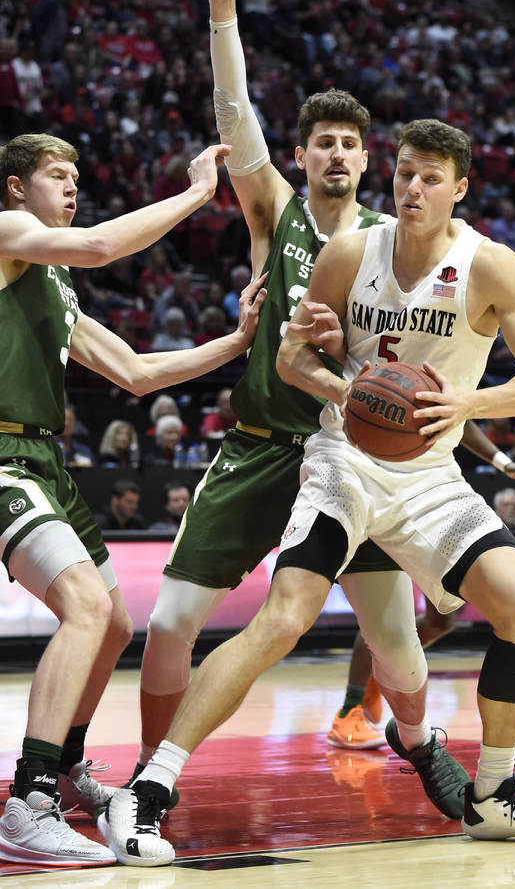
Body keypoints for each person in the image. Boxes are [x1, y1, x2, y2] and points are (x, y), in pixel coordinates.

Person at [101, 116, 515, 865]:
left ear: (459, 188)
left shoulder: (491, 266)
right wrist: (349, 388)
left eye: (430, 176)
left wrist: (470, 405)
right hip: (343, 459)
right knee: (284, 618)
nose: (412, 187)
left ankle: (493, 795)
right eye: (403, 172)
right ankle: (149, 787)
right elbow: (293, 358)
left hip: (430, 473)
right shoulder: (349, 250)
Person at [124, 0, 469, 841]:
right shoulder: (275, 208)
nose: (335, 153)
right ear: (305, 152)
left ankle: (419, 741)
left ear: (369, 160)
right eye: (322, 140)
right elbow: (234, 114)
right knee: (167, 625)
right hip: (260, 443)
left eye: (351, 144)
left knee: (397, 646)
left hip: (350, 449)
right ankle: (148, 788)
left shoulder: (393, 245)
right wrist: (221, 10)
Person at [0, 131, 266, 866]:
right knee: (85, 608)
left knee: (113, 622)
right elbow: (96, 246)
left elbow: (134, 371)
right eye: (58, 175)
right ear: (18, 187)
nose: (73, 185)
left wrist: (235, 341)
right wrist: (192, 195)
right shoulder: (8, 233)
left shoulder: (50, 281)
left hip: (41, 457)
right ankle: (28, 803)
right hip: (0, 454)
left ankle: (62, 766)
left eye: (78, 175)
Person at [330, 425, 515, 748]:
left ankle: (376, 682)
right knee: (385, 612)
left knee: (441, 622)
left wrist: (501, 461)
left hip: (426, 495)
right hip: (375, 486)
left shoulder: (436, 381)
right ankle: (350, 710)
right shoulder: (376, 376)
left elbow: (460, 419)